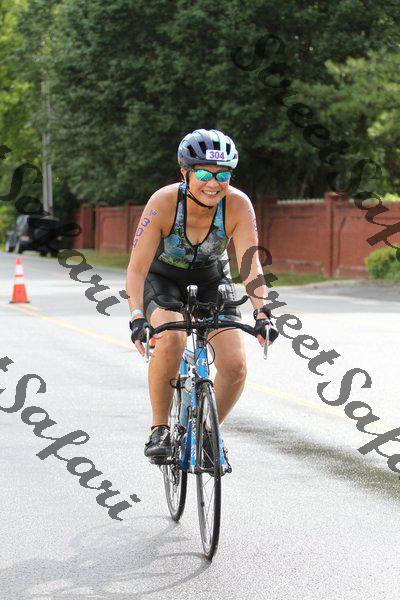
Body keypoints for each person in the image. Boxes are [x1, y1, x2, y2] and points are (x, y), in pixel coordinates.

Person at [125, 128, 278, 464]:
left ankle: (207, 433)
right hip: (163, 279)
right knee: (172, 339)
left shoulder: (237, 205)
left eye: (222, 175)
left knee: (235, 365)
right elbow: (136, 270)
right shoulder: (164, 202)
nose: (214, 184)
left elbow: (250, 265)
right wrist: (136, 317)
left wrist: (262, 312)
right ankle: (160, 428)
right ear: (185, 173)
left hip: (212, 279)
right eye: (204, 174)